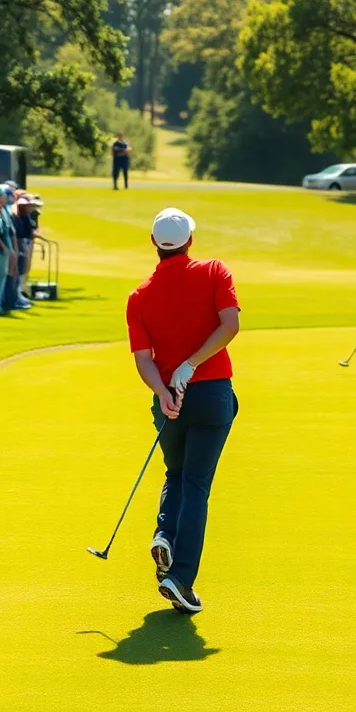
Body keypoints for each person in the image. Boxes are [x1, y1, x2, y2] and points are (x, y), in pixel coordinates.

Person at [126, 207, 240, 614]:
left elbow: (143, 359)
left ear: (155, 244)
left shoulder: (139, 296)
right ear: (190, 240)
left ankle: (165, 535)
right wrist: (192, 364)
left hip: (169, 404)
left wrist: (162, 392)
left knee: (176, 473)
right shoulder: (214, 271)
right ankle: (181, 579)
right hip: (211, 395)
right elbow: (229, 326)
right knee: (195, 485)